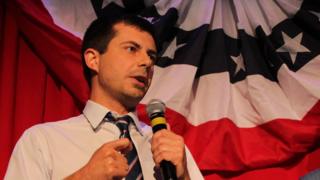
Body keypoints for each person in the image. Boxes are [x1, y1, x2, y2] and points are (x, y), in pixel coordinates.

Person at [5, 15, 203, 180]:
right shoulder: (42, 141)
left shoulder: (169, 149)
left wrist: (184, 175)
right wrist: (84, 177)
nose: (146, 62)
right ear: (93, 59)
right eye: (132, 49)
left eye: (151, 56)